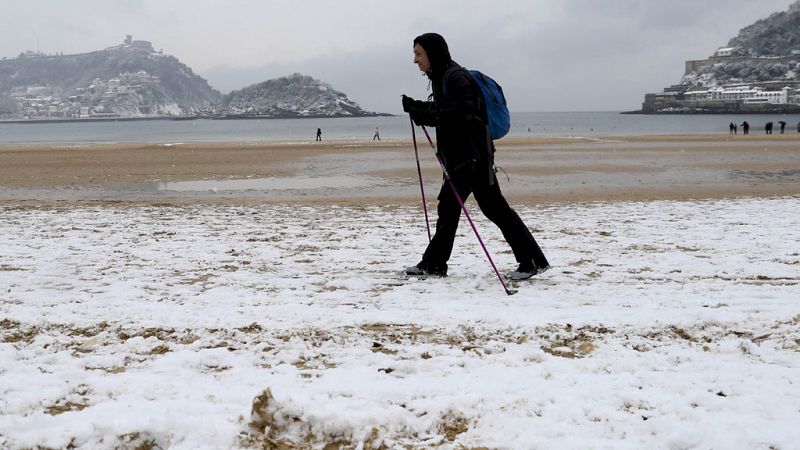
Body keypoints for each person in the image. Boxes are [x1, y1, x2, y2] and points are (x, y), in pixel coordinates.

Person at [401, 33, 549, 280]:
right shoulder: (441, 77)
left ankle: (435, 264)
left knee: (476, 209)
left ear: (432, 53)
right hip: (464, 158)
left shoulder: (455, 77)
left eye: (418, 53)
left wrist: (424, 112)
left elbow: (462, 113)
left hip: (471, 159)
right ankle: (530, 261)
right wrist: (419, 108)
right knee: (462, 209)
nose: (415, 60)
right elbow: (447, 112)